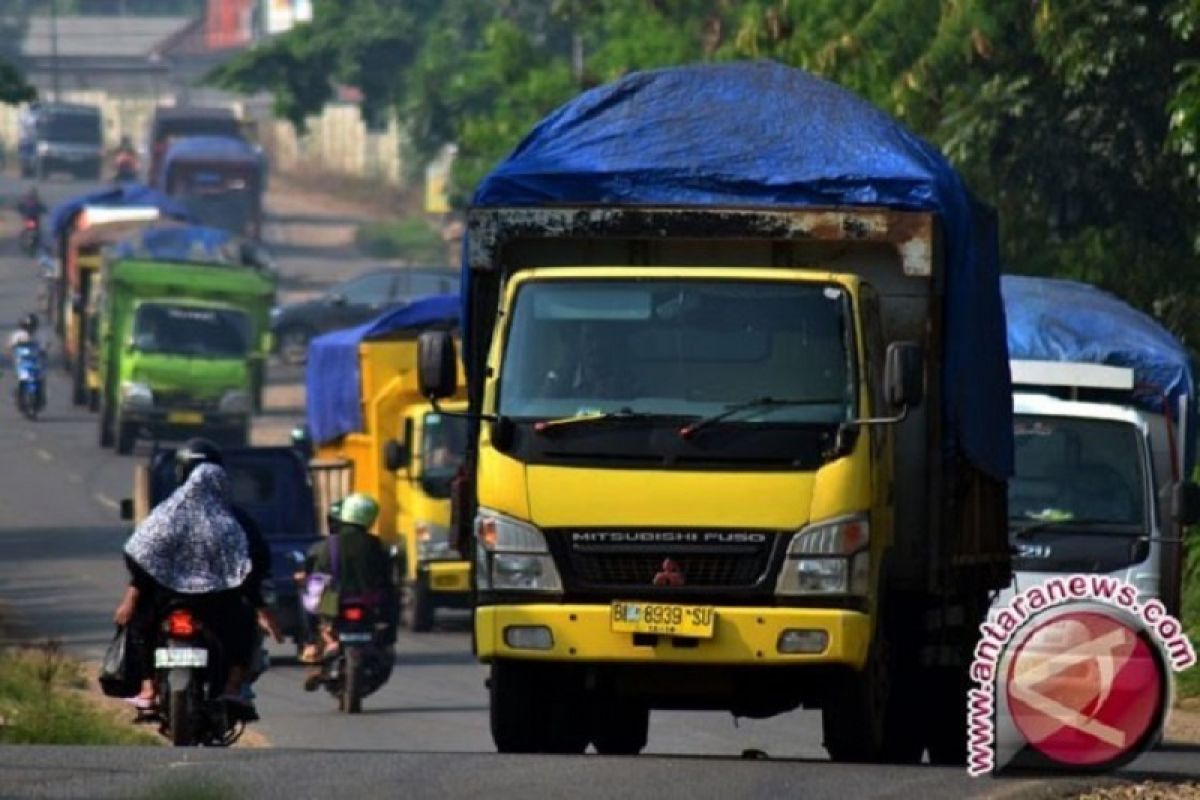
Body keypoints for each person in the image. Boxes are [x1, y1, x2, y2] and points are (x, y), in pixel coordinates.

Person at [113, 438, 281, 712]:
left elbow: (141, 555)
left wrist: (133, 595)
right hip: (217, 602)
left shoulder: (166, 514)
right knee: (242, 624)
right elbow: (251, 564)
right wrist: (259, 606)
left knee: (140, 622)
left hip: (168, 599)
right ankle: (233, 685)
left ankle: (148, 686)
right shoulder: (234, 520)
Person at [299, 493, 397, 687]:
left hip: (332, 602)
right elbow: (387, 578)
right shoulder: (378, 546)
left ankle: (311, 643)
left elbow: (313, 574)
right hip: (370, 602)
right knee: (392, 596)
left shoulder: (324, 546)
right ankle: (388, 640)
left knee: (307, 596)